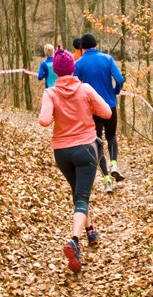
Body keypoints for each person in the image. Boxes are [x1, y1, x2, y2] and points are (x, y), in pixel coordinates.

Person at [38, 46, 112, 273]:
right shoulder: (85, 89)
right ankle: (74, 241)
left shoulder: (50, 92)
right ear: (73, 68)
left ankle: (90, 231)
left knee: (79, 194)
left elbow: (43, 121)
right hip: (86, 149)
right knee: (81, 197)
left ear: (57, 72)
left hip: (62, 152)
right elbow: (107, 113)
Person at [74, 33, 125, 193]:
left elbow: (75, 85)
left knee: (97, 142)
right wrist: (114, 91)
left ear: (82, 48)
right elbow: (120, 79)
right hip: (109, 105)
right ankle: (114, 164)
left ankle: (106, 180)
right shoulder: (108, 59)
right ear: (96, 44)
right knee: (111, 136)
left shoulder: (79, 63)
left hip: (91, 109)